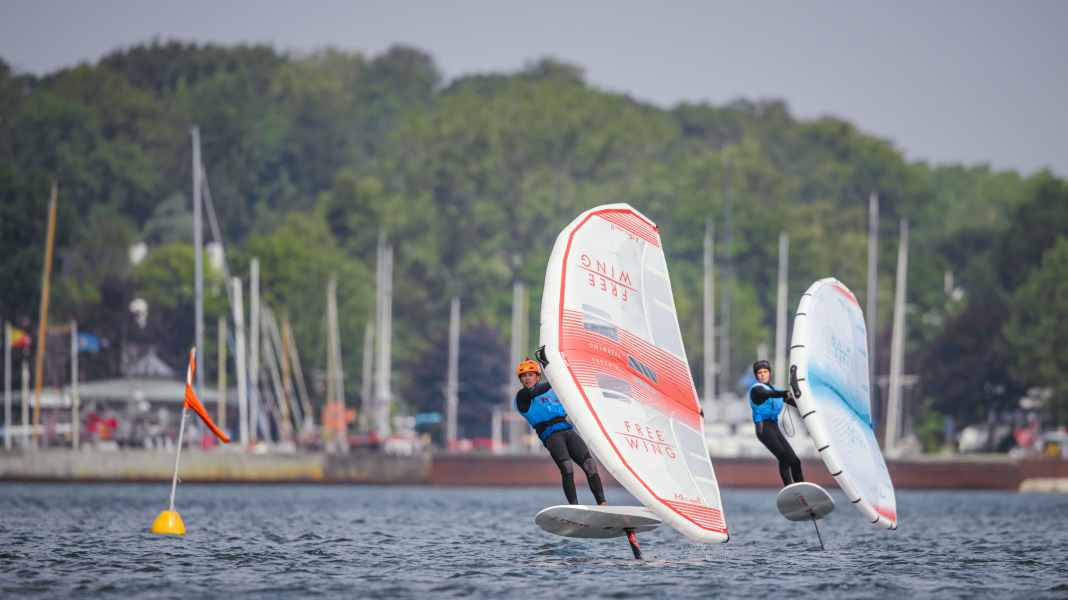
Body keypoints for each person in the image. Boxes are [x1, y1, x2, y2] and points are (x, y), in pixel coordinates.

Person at [515, 358, 607, 506]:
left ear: (537, 376)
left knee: (590, 464)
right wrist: (558, 378)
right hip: (551, 436)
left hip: (568, 431)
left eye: (530, 375)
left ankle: (602, 503)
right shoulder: (522, 397)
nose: (527, 378)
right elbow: (537, 390)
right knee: (567, 467)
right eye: (524, 376)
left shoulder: (553, 391)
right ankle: (574, 507)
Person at [749, 359, 804, 487]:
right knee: (784, 457)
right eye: (759, 372)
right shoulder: (756, 390)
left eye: (765, 371)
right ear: (756, 375)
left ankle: (802, 488)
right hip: (763, 429)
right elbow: (768, 394)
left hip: (775, 428)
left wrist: (809, 408)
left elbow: (796, 404)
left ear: (770, 373)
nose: (762, 374)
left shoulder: (777, 390)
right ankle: (789, 488)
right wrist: (785, 393)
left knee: (795, 461)